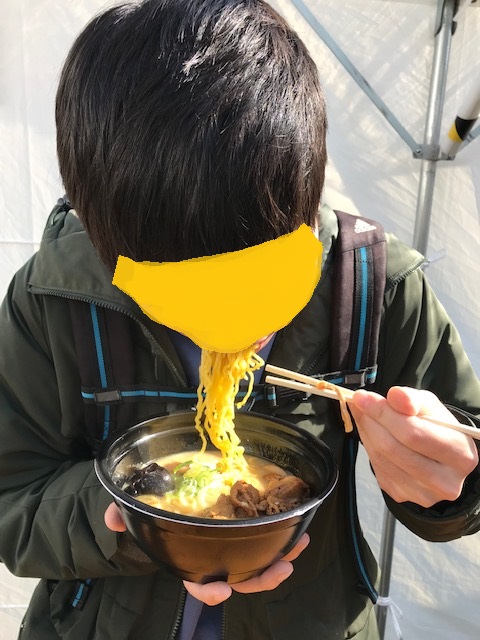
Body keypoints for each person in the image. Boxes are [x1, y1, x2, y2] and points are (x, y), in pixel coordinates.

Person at [0, 0, 479, 638]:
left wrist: (449, 483)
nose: (229, 325)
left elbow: (466, 469)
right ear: (102, 234)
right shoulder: (54, 297)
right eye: (188, 296)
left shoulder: (374, 286)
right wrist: (131, 524)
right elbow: (12, 501)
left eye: (257, 284)